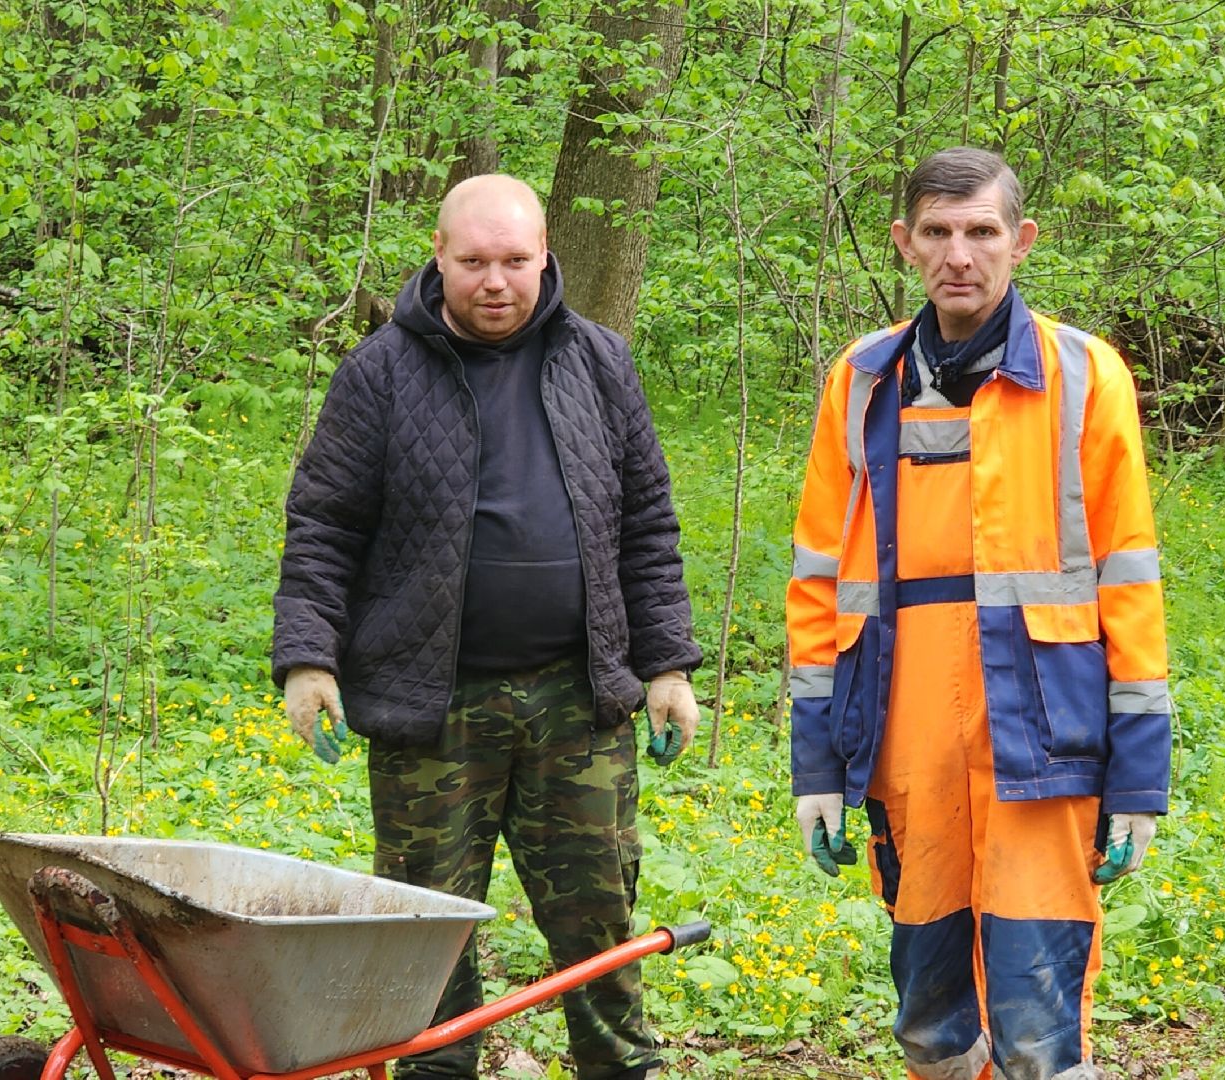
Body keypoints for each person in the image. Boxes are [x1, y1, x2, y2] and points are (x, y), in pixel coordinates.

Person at [272, 174, 701, 1080]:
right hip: (430, 704)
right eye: (473, 261)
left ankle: (617, 1069)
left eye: (513, 260)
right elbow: (323, 524)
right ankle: (435, 1070)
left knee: (597, 921)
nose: (494, 281)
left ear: (545, 255)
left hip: (575, 700)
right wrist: (308, 659)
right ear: (438, 255)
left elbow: (647, 523)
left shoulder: (599, 361)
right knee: (424, 929)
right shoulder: (379, 371)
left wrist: (666, 666)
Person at [785, 148, 1172, 1080]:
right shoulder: (864, 380)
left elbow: (1128, 579)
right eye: (938, 232)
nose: (960, 255)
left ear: (1020, 242)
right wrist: (816, 764)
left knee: (1040, 1025)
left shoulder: (1086, 374)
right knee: (927, 1018)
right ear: (904, 243)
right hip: (904, 737)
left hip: (1044, 740)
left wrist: (1138, 779)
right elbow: (818, 578)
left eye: (982, 232)